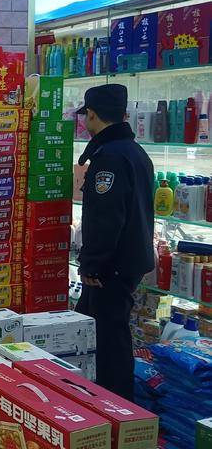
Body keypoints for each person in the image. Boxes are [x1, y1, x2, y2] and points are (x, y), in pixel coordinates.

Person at [75, 83, 154, 402]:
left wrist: (93, 264)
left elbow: (107, 218)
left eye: (86, 116)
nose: (85, 122)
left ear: (93, 115)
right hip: (127, 261)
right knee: (92, 327)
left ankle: (118, 408)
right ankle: (97, 401)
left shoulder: (109, 157)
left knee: (110, 341)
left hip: (112, 267)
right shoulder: (134, 152)